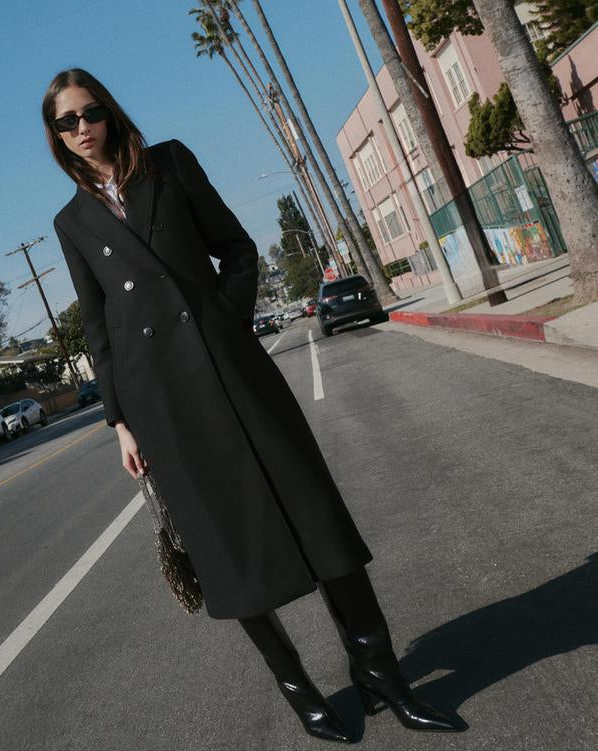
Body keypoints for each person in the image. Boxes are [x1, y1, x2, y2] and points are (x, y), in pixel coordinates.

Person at [42, 68, 464, 743]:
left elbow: (236, 249)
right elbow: (99, 330)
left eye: (90, 112)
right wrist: (118, 420)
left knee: (313, 511)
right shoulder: (71, 223)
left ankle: (381, 672)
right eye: (67, 121)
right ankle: (299, 691)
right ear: (56, 135)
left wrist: (226, 322)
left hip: (232, 370)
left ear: (109, 113)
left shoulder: (168, 163)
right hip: (161, 403)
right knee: (225, 549)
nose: (82, 127)